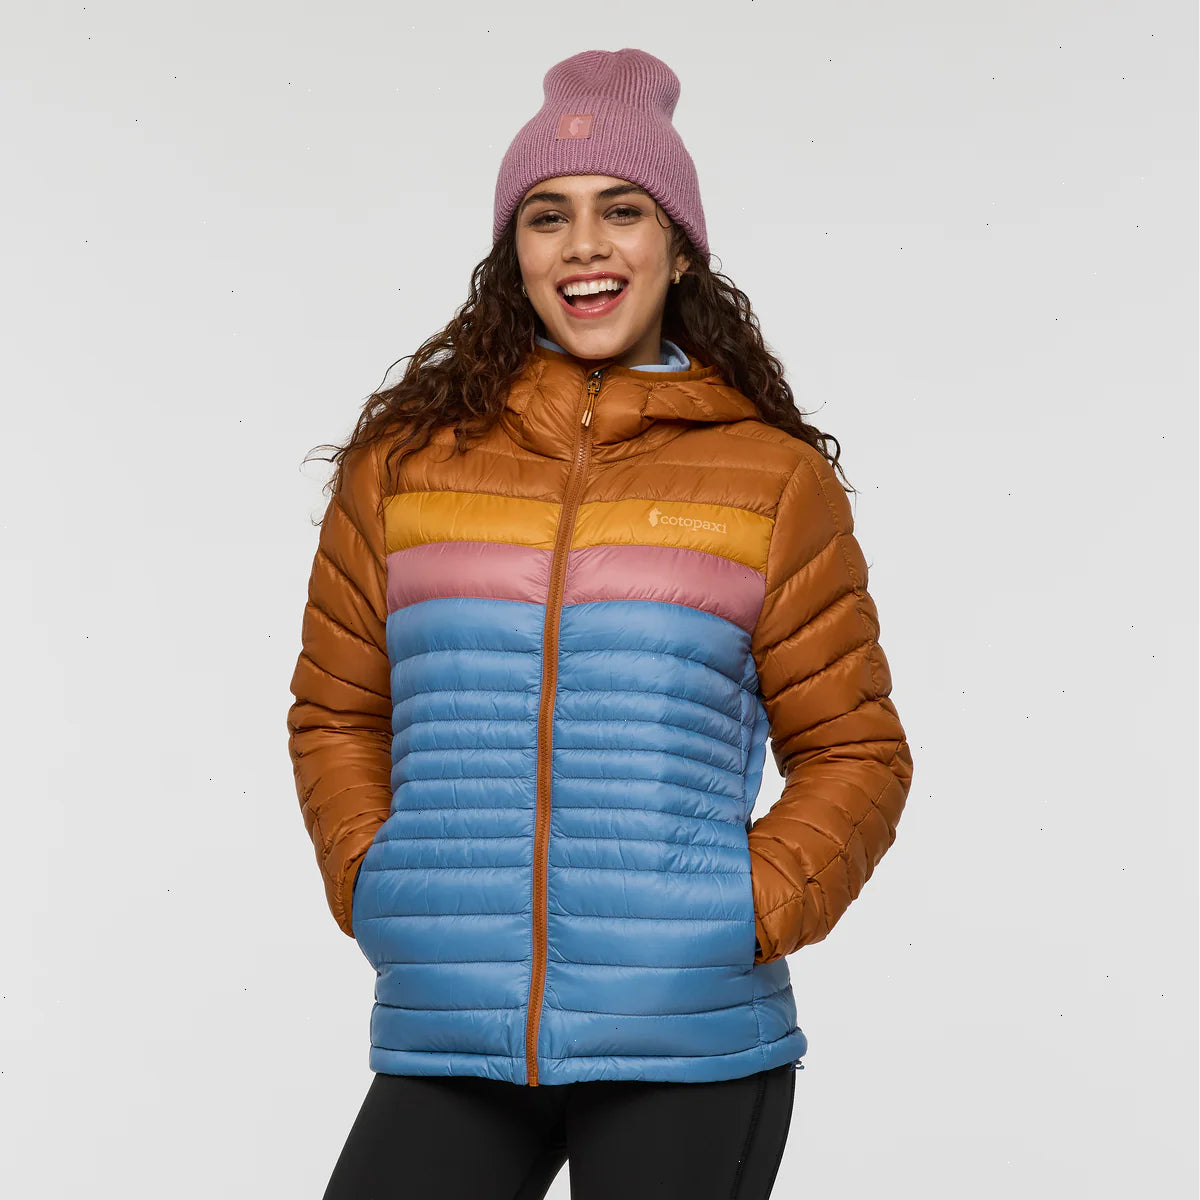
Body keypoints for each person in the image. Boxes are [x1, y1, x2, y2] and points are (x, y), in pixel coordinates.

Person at [286, 46, 914, 1200]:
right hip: (451, 1024)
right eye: (549, 215)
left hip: (688, 1037)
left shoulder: (770, 482)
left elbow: (856, 751)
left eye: (622, 210)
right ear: (513, 254)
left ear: (680, 248)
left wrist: (741, 911)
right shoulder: (403, 468)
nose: (584, 244)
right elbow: (336, 712)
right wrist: (377, 883)